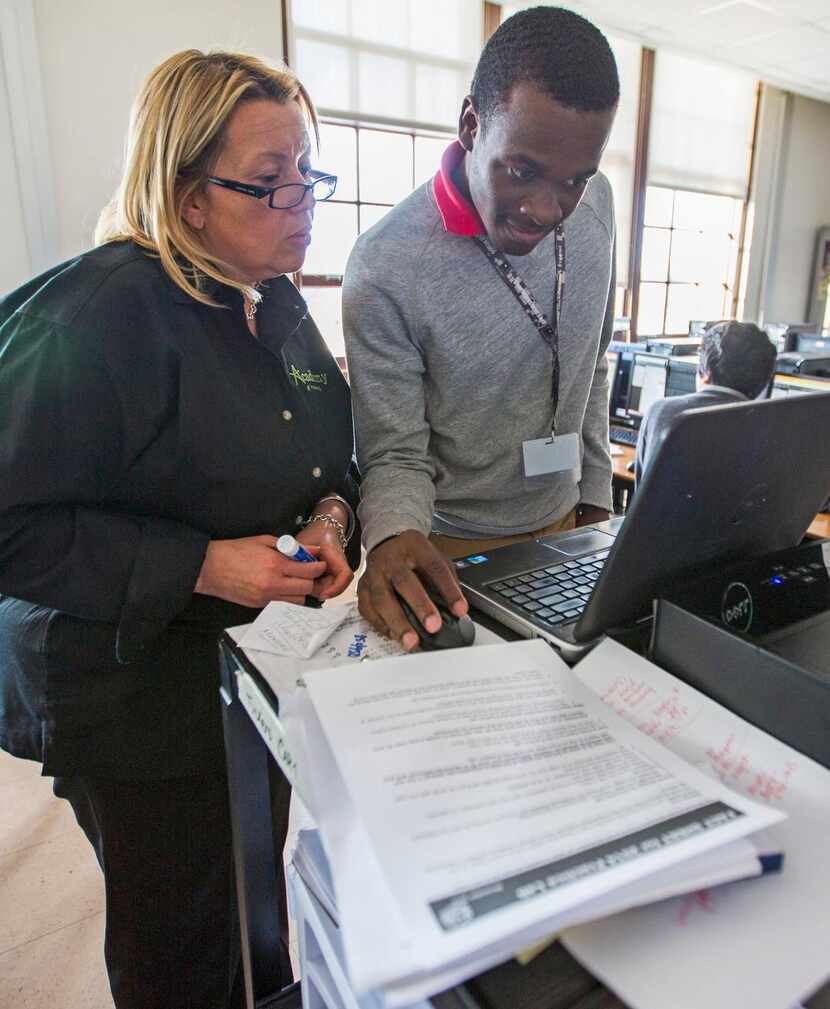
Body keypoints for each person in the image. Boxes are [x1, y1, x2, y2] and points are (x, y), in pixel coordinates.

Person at [0, 50, 359, 1009]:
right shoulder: (96, 316)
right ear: (188, 195)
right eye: (269, 182)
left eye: (307, 172)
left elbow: (333, 453)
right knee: (177, 935)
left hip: (244, 672)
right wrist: (202, 563)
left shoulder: (273, 298)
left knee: (250, 892)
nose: (303, 201)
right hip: (121, 683)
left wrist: (329, 516)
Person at [343, 6, 619, 650]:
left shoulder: (600, 203)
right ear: (471, 125)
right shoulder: (387, 264)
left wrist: (599, 502)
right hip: (451, 550)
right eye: (521, 171)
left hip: (573, 521)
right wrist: (391, 537)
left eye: (574, 179)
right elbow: (394, 452)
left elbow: (592, 360)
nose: (547, 210)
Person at [634, 321, 777, 484]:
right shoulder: (768, 431)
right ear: (762, 383)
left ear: (706, 371)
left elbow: (640, 492)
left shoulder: (661, 412)